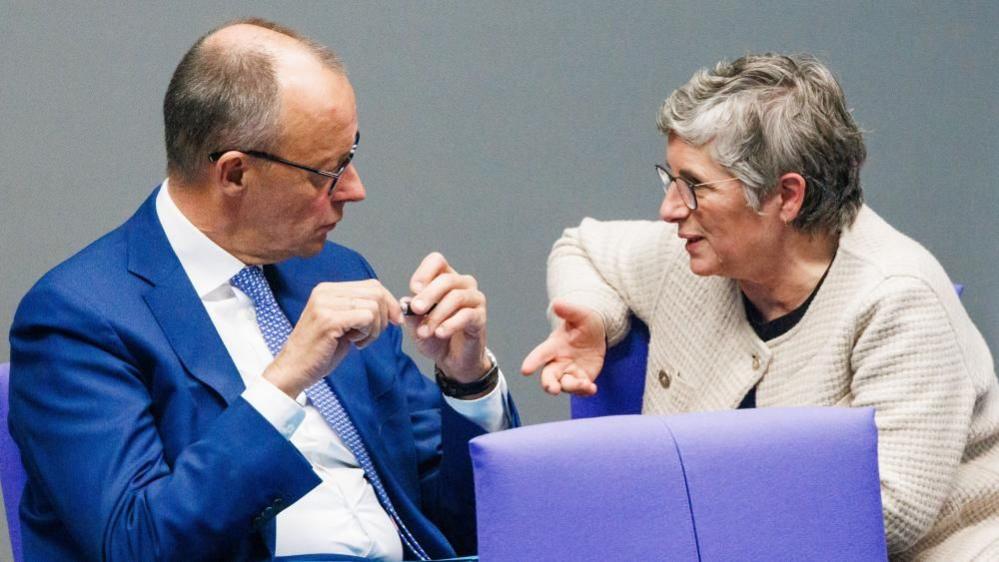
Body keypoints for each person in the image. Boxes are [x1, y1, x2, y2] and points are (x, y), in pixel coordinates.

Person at [9, 18, 517, 562]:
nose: (355, 189)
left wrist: (467, 381)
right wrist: (284, 383)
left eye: (353, 152)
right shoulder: (79, 317)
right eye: (329, 170)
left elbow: (461, 527)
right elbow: (136, 544)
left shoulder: (335, 273)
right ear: (234, 174)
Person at [522, 53, 997, 560]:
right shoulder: (687, 257)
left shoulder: (899, 299)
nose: (669, 209)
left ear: (787, 196)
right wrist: (597, 315)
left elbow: (883, 514)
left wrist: (675, 511)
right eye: (671, 180)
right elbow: (580, 247)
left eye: (695, 187)